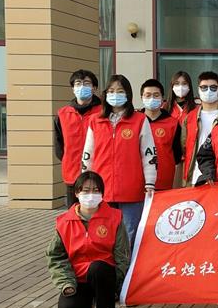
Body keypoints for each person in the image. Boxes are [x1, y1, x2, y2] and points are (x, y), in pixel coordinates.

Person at [46, 171, 129, 308]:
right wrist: (66, 283)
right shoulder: (64, 222)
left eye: (96, 190)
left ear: (102, 194)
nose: (91, 195)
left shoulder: (114, 217)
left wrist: (118, 286)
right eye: (85, 190)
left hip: (104, 275)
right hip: (79, 279)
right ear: (77, 193)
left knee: (97, 267)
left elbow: (122, 254)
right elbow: (55, 257)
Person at [82, 75, 157, 245]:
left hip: (131, 190)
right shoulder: (95, 120)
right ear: (105, 94)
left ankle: (127, 263)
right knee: (103, 232)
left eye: (120, 91)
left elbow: (149, 153)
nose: (115, 94)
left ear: (128, 94)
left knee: (130, 233)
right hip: (102, 189)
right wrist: (85, 181)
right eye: (111, 91)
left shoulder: (139, 120)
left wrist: (150, 182)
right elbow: (88, 153)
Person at [55, 69, 101, 207]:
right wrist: (68, 159)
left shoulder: (103, 112)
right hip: (72, 174)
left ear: (94, 88)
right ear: (73, 88)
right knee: (73, 214)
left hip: (98, 173)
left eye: (87, 83)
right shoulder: (62, 114)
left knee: (100, 214)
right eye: (78, 83)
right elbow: (59, 145)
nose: (82, 87)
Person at [140, 79, 182, 191]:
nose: (152, 98)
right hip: (139, 183)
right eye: (148, 95)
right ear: (142, 98)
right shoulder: (135, 122)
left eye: (156, 95)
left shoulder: (173, 123)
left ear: (162, 98)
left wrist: (176, 187)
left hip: (165, 185)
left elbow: (178, 159)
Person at [183, 71, 218, 186]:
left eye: (213, 87)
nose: (208, 91)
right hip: (195, 176)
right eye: (204, 87)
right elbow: (184, 147)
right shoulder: (190, 117)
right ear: (198, 90)